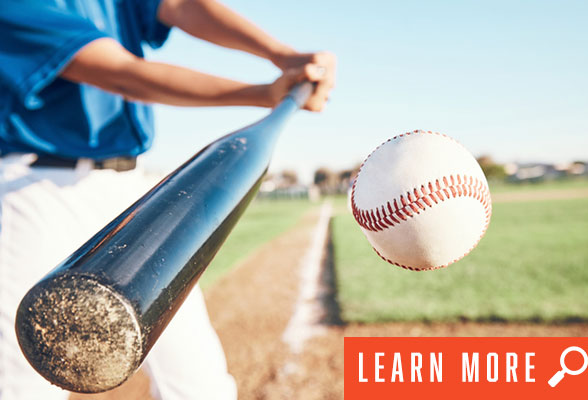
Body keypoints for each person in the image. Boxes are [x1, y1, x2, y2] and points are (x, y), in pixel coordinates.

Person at [0, 0, 336, 399]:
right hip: (36, 191)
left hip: (131, 191)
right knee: (25, 381)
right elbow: (123, 74)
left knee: (198, 380)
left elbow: (179, 6)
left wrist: (281, 56)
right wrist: (265, 92)